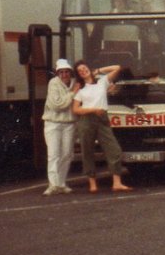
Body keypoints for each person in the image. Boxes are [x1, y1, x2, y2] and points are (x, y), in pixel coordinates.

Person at [72, 61, 133, 192]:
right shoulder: (80, 89)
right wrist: (92, 110)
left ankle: (117, 183)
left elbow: (117, 67)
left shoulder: (102, 82)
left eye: (84, 68)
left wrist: (98, 70)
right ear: (78, 75)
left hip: (102, 118)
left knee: (114, 150)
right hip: (87, 120)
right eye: (80, 71)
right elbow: (76, 109)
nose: (83, 71)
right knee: (88, 151)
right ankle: (92, 184)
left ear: (89, 68)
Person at [42, 59, 79, 195]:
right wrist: (72, 94)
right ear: (58, 73)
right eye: (61, 72)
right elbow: (57, 106)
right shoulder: (53, 83)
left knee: (67, 154)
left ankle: (61, 183)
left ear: (70, 72)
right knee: (53, 154)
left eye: (66, 72)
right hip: (53, 123)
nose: (64, 75)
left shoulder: (75, 83)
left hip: (69, 123)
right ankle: (53, 185)